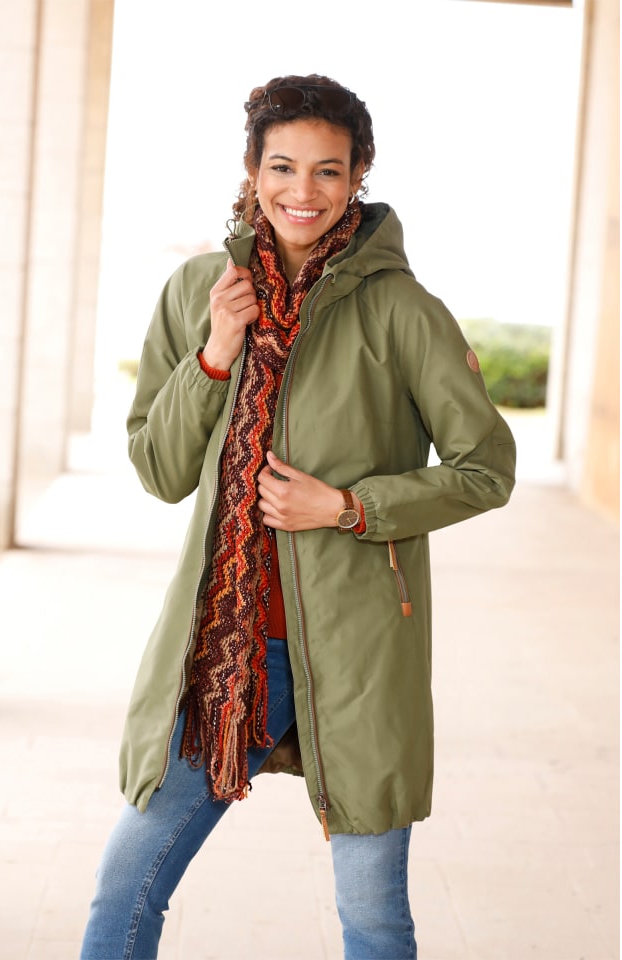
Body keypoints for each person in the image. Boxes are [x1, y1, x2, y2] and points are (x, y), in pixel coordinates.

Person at [80, 74, 516, 960]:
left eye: (328, 170)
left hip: (357, 652)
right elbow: (159, 470)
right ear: (253, 170)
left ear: (358, 177)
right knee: (126, 891)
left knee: (373, 918)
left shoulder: (401, 310)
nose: (303, 191)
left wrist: (349, 507)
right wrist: (215, 354)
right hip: (221, 651)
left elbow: (487, 469)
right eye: (283, 166)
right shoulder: (200, 290)